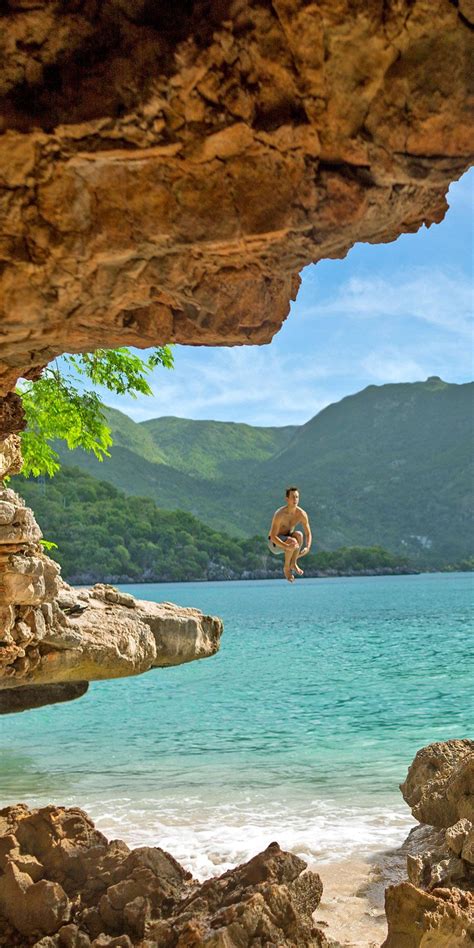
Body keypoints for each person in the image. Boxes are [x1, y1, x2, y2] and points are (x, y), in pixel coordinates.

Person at [267, 487, 312, 583]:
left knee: (299, 535)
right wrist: (286, 546)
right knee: (293, 541)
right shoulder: (279, 514)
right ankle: (287, 568)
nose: (295, 499)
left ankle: (293, 563)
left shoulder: (301, 514)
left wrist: (307, 547)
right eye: (293, 497)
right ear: (287, 499)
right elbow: (273, 537)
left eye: (297, 497)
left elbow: (308, 533)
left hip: (288, 540)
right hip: (274, 543)